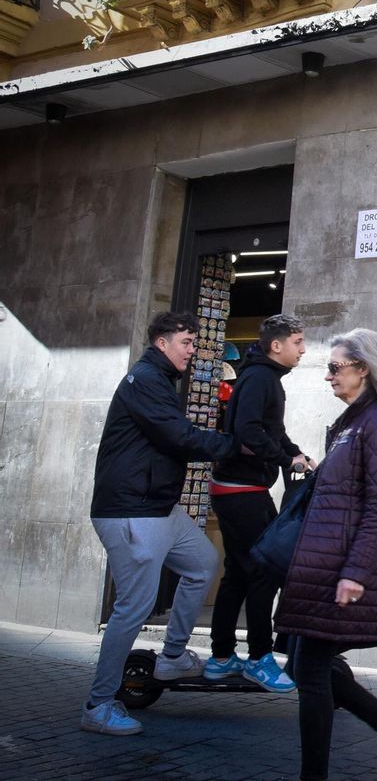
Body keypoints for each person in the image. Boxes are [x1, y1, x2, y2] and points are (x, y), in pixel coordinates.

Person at [276, 329, 377, 781]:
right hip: (327, 565)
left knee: (310, 666)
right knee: (308, 661)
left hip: (345, 567)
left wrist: (356, 572)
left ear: (364, 369)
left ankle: (321, 772)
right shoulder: (353, 424)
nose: (328, 376)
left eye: (335, 367)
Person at [83, 312, 240, 737]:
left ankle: (172, 657)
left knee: (203, 562)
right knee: (132, 607)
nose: (193, 350)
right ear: (162, 343)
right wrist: (236, 446)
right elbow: (179, 437)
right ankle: (98, 705)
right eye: (187, 342)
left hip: (158, 508)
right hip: (131, 510)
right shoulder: (145, 380)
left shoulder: (158, 381)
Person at [206, 314, 311, 693]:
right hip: (242, 490)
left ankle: (220, 658)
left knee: (238, 570)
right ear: (276, 345)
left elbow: (272, 431)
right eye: (297, 342)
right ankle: (259, 659)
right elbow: (248, 430)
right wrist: (286, 460)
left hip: (239, 487)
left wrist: (297, 453)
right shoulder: (260, 378)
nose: (303, 349)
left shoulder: (263, 377)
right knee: (264, 568)